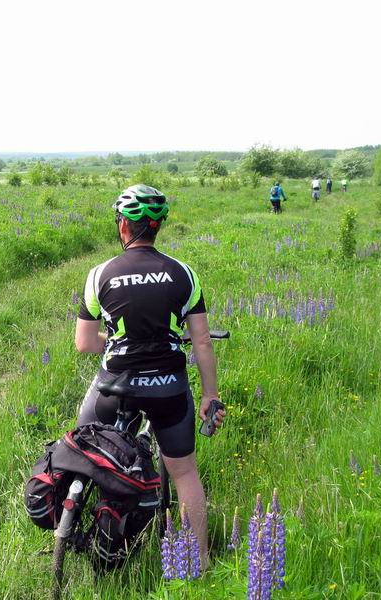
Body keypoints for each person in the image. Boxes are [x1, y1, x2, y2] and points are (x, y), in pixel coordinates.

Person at [75, 184, 225, 570]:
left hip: (115, 386)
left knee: (87, 450)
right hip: (169, 388)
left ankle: (83, 522)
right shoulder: (183, 273)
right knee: (185, 471)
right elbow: (203, 340)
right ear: (158, 227)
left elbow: (85, 344)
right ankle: (202, 562)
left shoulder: (99, 274)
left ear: (123, 225)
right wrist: (210, 394)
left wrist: (119, 339)